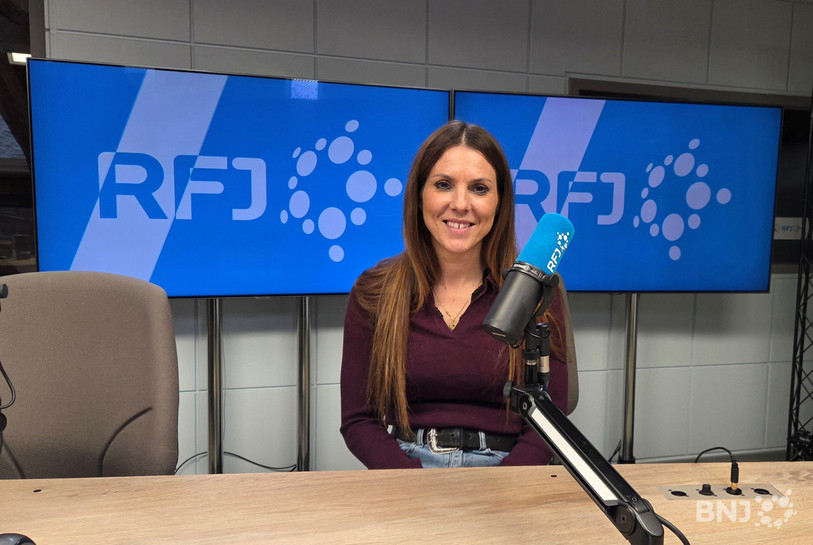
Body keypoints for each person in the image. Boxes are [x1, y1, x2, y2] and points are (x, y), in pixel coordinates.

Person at [340, 120, 569, 469]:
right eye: (444, 185)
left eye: (479, 188)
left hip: (508, 472)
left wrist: (503, 491)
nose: (460, 204)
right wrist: (413, 487)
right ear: (419, 195)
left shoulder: (536, 292)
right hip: (406, 471)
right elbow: (359, 420)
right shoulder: (374, 292)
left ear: (499, 203)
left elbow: (551, 418)